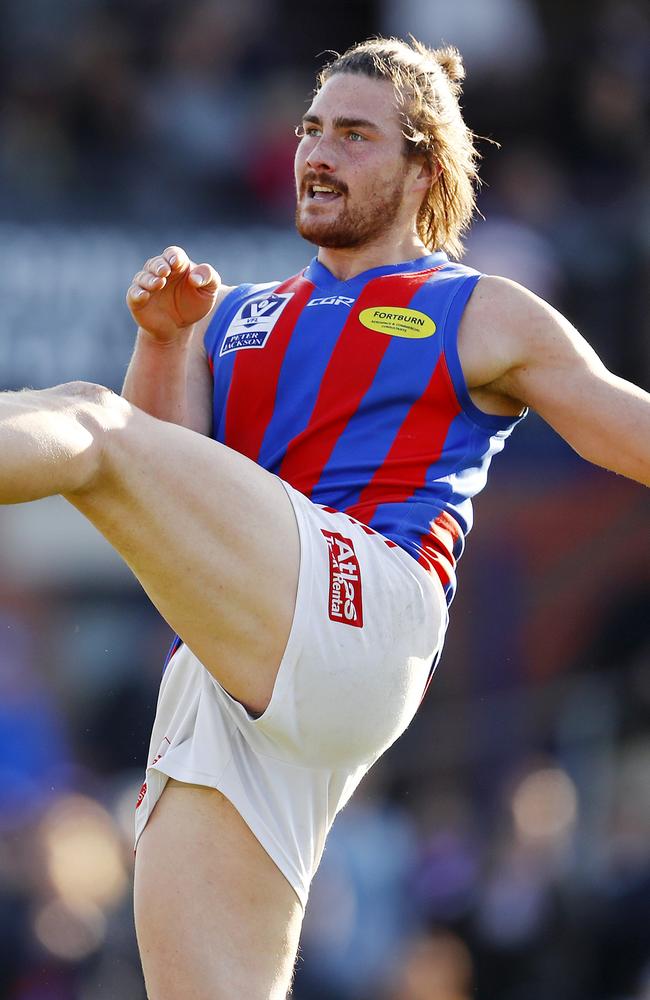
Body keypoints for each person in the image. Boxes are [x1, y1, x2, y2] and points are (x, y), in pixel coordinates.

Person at [1, 36, 648, 1000]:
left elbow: (625, 428)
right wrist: (166, 341)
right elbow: (166, 493)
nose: (318, 153)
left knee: (86, 418)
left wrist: (129, 414)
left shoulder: (476, 310)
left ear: (423, 167)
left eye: (353, 135)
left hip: (368, 606)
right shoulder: (243, 312)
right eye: (310, 130)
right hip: (241, 674)